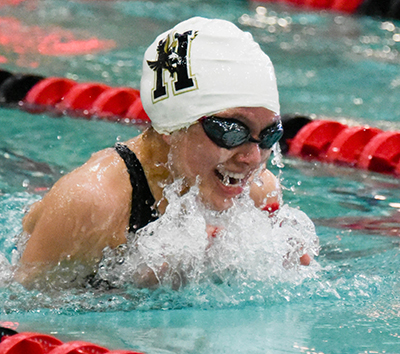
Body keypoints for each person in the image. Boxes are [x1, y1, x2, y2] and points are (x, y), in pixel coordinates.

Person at [14, 17, 310, 290]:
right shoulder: (91, 201)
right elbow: (28, 314)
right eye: (231, 131)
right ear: (172, 125)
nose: (253, 159)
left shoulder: (257, 193)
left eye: (270, 135)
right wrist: (130, 289)